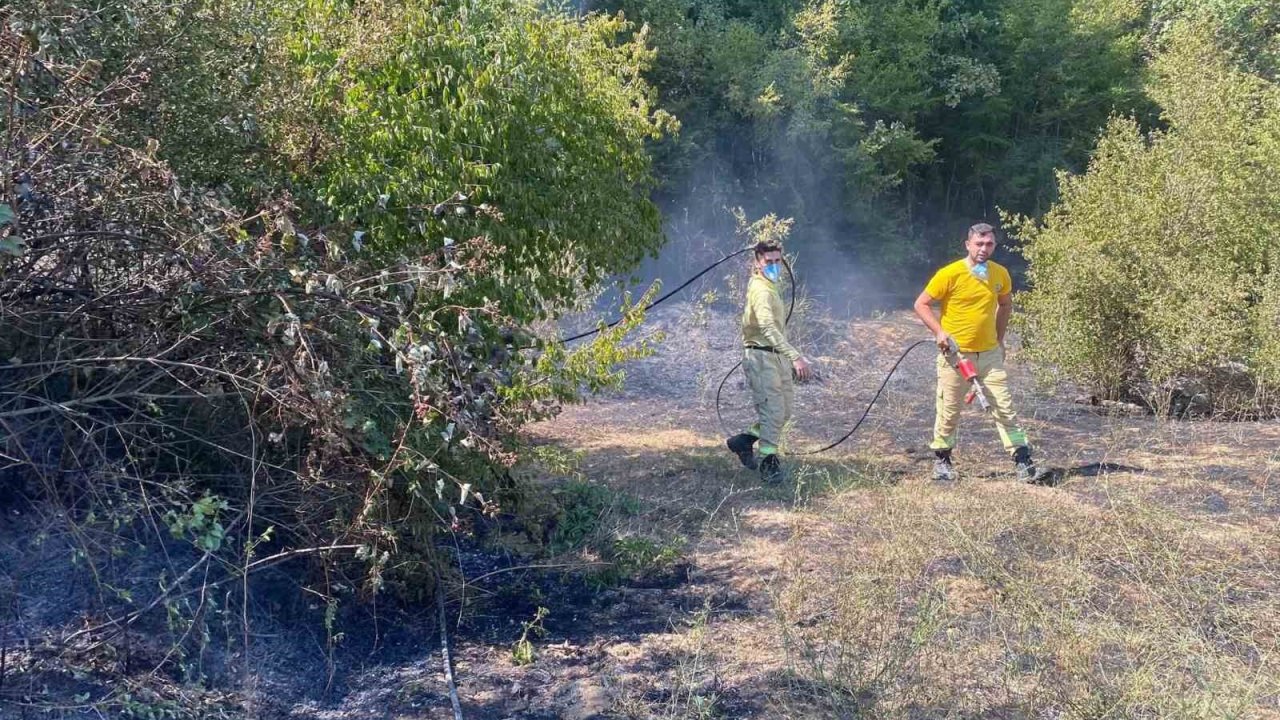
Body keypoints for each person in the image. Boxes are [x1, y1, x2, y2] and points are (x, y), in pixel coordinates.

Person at [913, 223, 1037, 482]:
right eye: (979, 244)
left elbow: (1005, 305)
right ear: (968, 245)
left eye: (989, 244)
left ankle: (1023, 461)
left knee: (1004, 407)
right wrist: (939, 332)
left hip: (989, 355)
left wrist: (999, 340)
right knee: (949, 410)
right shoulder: (950, 273)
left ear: (994, 246)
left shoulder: (1000, 274)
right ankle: (943, 461)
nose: (983, 249)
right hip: (956, 356)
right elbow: (921, 304)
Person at [726, 242, 811, 482]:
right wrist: (795, 356)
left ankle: (744, 441)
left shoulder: (769, 286)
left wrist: (786, 355)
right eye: (768, 261)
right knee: (772, 411)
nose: (774, 266)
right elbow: (766, 327)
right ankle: (768, 463)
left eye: (777, 261)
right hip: (761, 357)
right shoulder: (761, 290)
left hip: (776, 356)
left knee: (784, 411)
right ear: (757, 261)